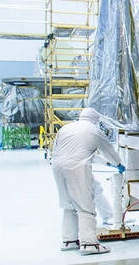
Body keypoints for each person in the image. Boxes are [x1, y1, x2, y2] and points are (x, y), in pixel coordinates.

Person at [51, 107, 124, 254]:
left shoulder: (66, 128)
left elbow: (78, 151)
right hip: (77, 168)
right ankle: (89, 244)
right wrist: (118, 164)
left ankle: (69, 240)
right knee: (85, 206)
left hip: (57, 166)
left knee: (69, 204)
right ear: (96, 120)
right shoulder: (94, 131)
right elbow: (108, 150)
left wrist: (107, 163)